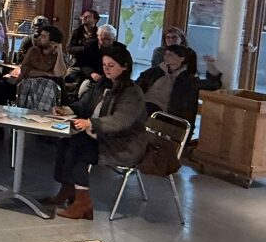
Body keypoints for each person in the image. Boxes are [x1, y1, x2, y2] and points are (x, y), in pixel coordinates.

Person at [47, 46, 147, 220]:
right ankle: (68, 188)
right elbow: (85, 103)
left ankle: (82, 201)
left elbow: (120, 121)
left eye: (111, 65)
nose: (106, 69)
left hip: (122, 144)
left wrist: (91, 123)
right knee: (65, 141)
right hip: (99, 135)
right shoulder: (102, 84)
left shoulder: (132, 92)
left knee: (79, 148)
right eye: (104, 65)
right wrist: (68, 109)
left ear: (124, 67)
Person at [137, 44, 221, 126]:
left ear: (181, 58)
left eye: (171, 55)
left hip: (164, 112)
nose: (166, 57)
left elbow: (212, 84)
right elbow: (138, 85)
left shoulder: (186, 79)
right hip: (144, 104)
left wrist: (210, 65)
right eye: (165, 54)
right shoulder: (155, 72)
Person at [15, 26, 68, 112]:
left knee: (48, 84)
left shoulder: (59, 57)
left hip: (49, 90)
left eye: (43, 36)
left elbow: (59, 74)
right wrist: (47, 73)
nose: (39, 38)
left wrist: (59, 53)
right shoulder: (33, 50)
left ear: (52, 42)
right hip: (29, 85)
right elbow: (25, 71)